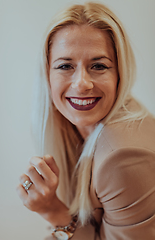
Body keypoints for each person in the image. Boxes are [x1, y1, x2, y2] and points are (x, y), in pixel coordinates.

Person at [16, 2, 155, 239]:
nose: (82, 83)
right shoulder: (82, 125)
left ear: (120, 73)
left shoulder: (121, 159)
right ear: (47, 74)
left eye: (99, 66)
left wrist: (52, 211)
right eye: (65, 66)